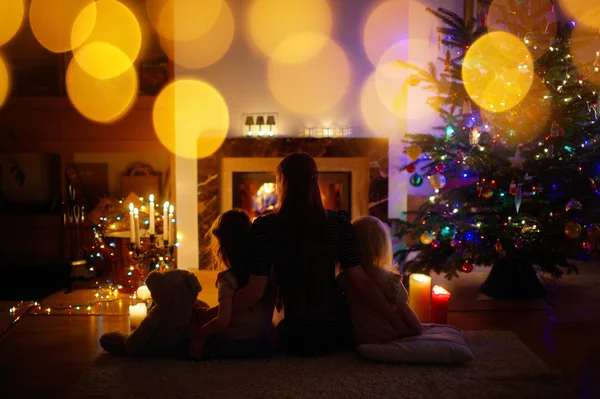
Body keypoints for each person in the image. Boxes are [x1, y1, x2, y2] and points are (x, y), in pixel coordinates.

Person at [232, 152, 410, 356]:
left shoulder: (265, 228)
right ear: (315, 181)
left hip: (291, 332)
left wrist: (219, 315)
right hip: (334, 332)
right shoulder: (337, 223)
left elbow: (255, 291)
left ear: (283, 181)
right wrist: (395, 320)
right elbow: (361, 282)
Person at [189, 210, 276, 360]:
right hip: (264, 343)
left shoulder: (227, 279)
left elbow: (222, 322)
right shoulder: (265, 274)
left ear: (223, 248)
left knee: (189, 336)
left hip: (236, 344)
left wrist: (199, 334)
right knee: (201, 308)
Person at [339, 216, 423, 345]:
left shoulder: (344, 279)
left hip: (359, 337)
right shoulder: (389, 280)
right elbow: (417, 327)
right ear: (382, 248)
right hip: (389, 336)